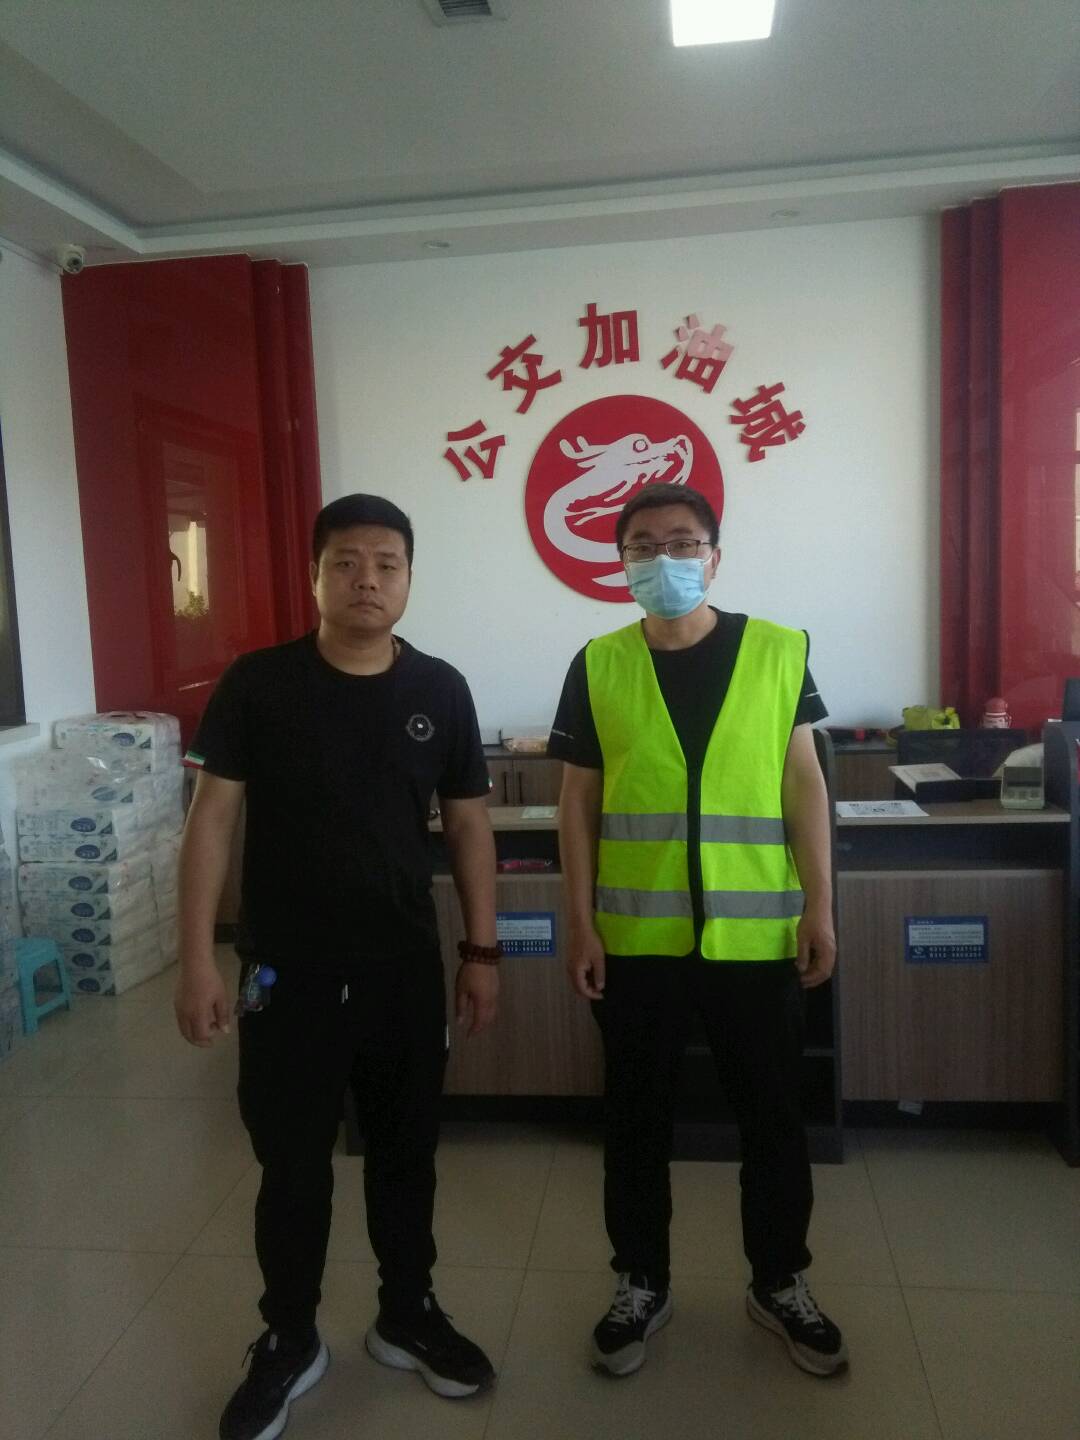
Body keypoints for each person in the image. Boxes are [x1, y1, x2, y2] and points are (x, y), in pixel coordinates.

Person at [175, 494, 502, 1440]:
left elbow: (468, 826)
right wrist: (197, 959)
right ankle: (289, 1336)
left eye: (387, 563)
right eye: (347, 562)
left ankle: (407, 1313)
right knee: (291, 1166)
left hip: (402, 966)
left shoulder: (439, 689)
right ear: (314, 576)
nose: (367, 579)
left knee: (406, 1153)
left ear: (408, 578)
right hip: (286, 974)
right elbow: (212, 822)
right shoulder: (258, 684)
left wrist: (481, 950)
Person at [549, 482, 847, 1380]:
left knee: (773, 1121)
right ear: (621, 565)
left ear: (714, 557)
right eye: (643, 546)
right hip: (636, 941)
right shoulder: (599, 663)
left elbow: (803, 783)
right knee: (634, 1122)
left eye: (682, 543)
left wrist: (821, 905)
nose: (664, 559)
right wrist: (579, 923)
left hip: (755, 942)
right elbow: (578, 802)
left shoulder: (778, 651)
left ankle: (780, 1280)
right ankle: (641, 1280)